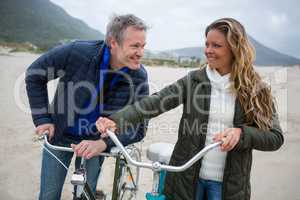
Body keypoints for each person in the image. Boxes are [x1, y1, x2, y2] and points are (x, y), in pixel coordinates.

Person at [74, 18, 284, 200]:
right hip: (187, 179)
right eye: (206, 44)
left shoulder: (256, 88)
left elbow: (274, 137)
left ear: (234, 48)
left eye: (216, 46)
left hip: (228, 187)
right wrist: (117, 120)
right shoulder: (194, 80)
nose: (208, 51)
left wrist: (241, 133)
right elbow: (156, 102)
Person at [25, 14, 149, 200]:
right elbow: (34, 75)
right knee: (49, 195)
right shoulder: (77, 51)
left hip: (96, 143)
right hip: (59, 135)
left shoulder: (139, 75)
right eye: (134, 46)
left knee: (85, 197)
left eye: (143, 46)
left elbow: (139, 127)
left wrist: (103, 143)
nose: (141, 53)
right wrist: (43, 119)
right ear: (113, 42)